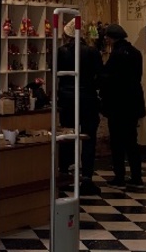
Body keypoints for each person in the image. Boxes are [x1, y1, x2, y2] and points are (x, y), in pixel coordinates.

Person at [57, 17, 102, 195]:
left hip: (67, 98)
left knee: (67, 136)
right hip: (88, 98)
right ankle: (87, 179)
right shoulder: (92, 52)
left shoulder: (61, 52)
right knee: (89, 137)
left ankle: (64, 174)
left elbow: (57, 73)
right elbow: (100, 75)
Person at [101, 23, 146, 188]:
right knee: (132, 142)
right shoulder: (135, 53)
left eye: (106, 36)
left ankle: (119, 177)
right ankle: (136, 177)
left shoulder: (117, 55)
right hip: (133, 103)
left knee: (117, 143)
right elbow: (137, 77)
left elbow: (108, 78)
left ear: (111, 37)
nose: (105, 39)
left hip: (118, 104)